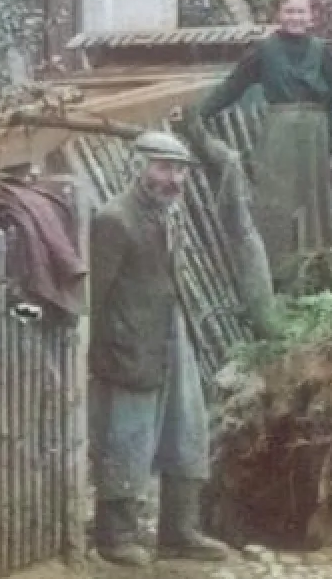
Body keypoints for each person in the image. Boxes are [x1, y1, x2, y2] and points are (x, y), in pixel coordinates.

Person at [88, 131, 228, 566]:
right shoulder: (114, 220)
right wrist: (103, 352)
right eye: (165, 168)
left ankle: (179, 531)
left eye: (181, 170)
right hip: (130, 341)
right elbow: (96, 295)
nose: (176, 179)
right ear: (139, 167)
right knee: (128, 435)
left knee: (186, 428)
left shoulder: (169, 214)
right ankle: (116, 535)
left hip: (172, 334)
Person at [193, 0, 332, 285]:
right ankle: (278, 276)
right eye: (289, 11)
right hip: (280, 129)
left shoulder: (324, 51)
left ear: (312, 16)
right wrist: (199, 114)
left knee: (315, 202)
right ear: (277, 13)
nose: (295, 18)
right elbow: (233, 87)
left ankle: (316, 276)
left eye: (301, 11)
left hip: (316, 132)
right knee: (277, 201)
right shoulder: (264, 51)